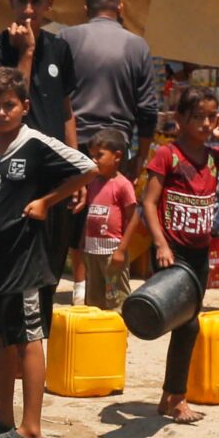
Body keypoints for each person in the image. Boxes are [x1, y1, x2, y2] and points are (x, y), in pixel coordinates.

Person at [0, 65, 100, 438]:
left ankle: (32, 428)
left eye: (9, 105)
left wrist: (47, 201)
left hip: (26, 258)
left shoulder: (37, 142)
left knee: (28, 339)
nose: (1, 112)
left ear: (24, 106)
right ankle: (4, 418)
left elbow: (88, 168)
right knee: (0, 338)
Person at [141, 91, 219, 424]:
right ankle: (178, 398)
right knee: (188, 324)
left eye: (212, 117)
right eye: (198, 117)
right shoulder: (168, 155)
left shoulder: (214, 157)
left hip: (198, 255)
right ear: (180, 120)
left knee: (185, 325)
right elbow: (149, 203)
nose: (206, 124)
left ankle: (169, 396)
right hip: (172, 252)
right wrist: (161, 245)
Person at [62, 0, 156, 174]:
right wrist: (141, 156)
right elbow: (147, 110)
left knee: (73, 203)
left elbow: (52, 96)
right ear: (120, 8)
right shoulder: (138, 46)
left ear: (86, 9)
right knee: (110, 203)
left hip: (72, 146)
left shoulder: (66, 39)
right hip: (116, 149)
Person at [0, 0, 78, 146]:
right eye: (22, 1)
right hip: (12, 154)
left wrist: (75, 157)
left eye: (36, 2)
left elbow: (66, 110)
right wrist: (27, 52)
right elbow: (8, 98)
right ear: (11, 1)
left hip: (53, 156)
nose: (28, 10)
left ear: (50, 3)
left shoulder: (59, 48)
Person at [75, 128, 138, 312]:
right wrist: (82, 241)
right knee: (94, 299)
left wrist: (121, 250)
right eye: (91, 156)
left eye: (99, 155)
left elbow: (133, 218)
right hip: (92, 250)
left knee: (116, 299)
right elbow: (89, 214)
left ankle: (118, 335)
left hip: (112, 253)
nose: (94, 160)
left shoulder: (123, 185)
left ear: (117, 156)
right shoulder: (92, 182)